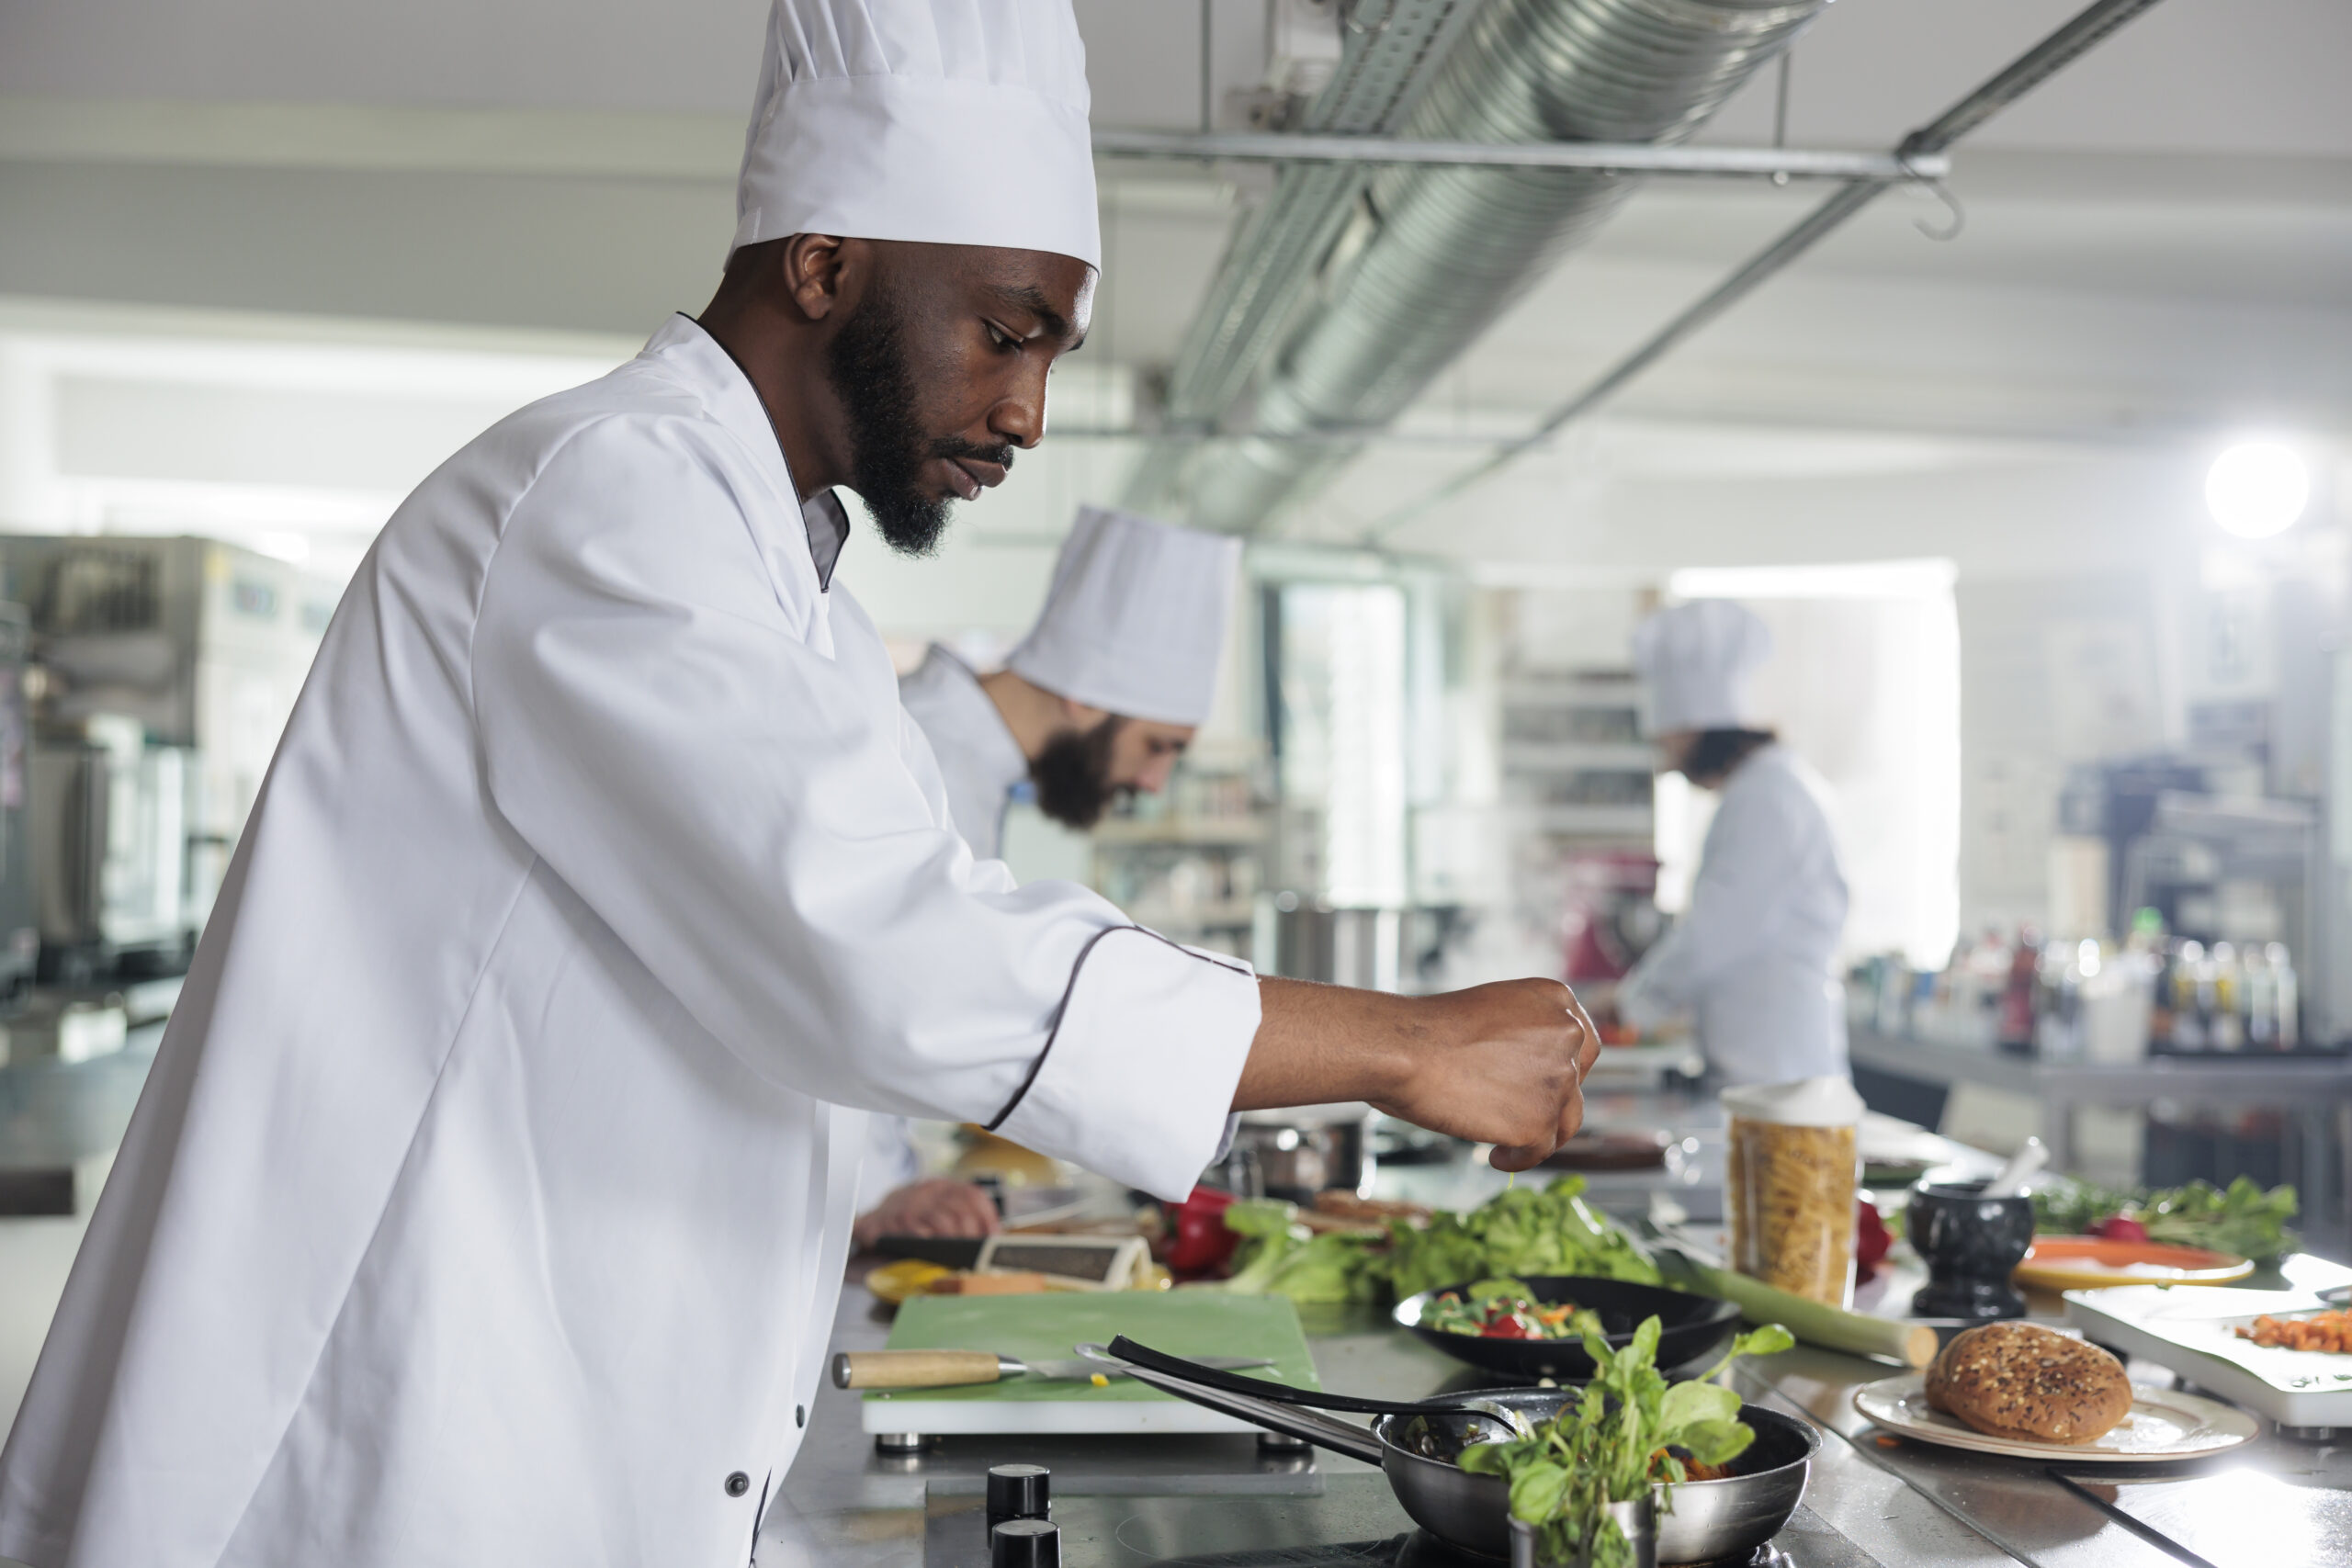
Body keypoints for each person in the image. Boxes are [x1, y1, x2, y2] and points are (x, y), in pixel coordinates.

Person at [0, 3, 1597, 1563]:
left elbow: (762, 1009)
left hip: (585, 1422)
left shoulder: (805, 596)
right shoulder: (608, 496)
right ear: (824, 262)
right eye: (1007, 329)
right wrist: (1402, 1042)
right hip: (384, 1445)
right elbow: (882, 949)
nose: (1029, 410)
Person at [860, 506, 1239, 1246]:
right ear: (1086, 692)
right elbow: (864, 998)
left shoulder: (969, 762)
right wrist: (877, 1192)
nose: (1156, 783)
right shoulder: (919, 751)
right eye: (1158, 745)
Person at [1614, 600, 1851, 1086]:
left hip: (1778, 1075)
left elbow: (1718, 930)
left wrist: (1631, 1002)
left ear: (1695, 730)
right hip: (1760, 1067)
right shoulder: (1763, 790)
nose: (1667, 764)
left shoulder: (1766, 799)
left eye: (1667, 745)